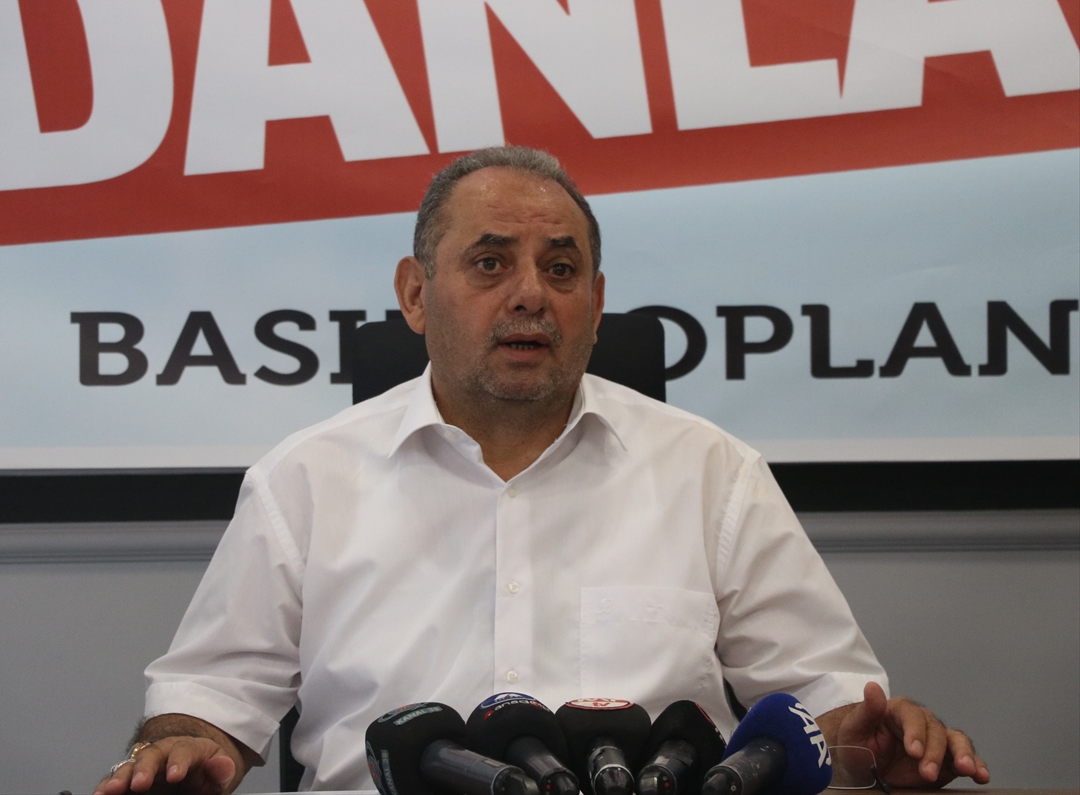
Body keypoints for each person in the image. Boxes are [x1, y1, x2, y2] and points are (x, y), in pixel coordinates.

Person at [94, 147, 990, 795]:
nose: (530, 293)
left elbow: (823, 705)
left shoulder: (712, 472)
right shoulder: (305, 480)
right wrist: (182, 746)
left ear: (595, 304)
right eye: (491, 263)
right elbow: (209, 700)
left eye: (561, 269)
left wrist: (875, 744)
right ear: (415, 293)